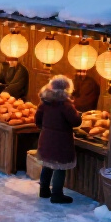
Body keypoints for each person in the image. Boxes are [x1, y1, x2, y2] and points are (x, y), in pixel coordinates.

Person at [35, 75, 81, 204]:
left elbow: (37, 119)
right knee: (60, 167)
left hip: (46, 137)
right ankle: (57, 194)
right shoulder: (66, 105)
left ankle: (43, 190)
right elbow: (76, 121)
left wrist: (45, 128)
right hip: (61, 141)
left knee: (47, 164)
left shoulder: (44, 101)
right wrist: (78, 114)